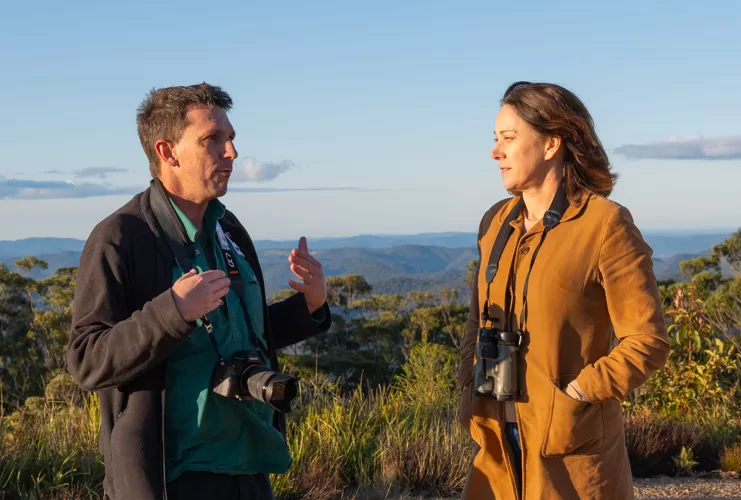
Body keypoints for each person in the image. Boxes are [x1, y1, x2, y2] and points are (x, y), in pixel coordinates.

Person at [67, 83, 332, 500]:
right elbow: (86, 359)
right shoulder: (120, 238)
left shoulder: (229, 230)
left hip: (249, 465)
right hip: (173, 478)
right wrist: (172, 311)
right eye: (212, 139)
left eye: (230, 139)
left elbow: (244, 334)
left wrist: (310, 307)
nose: (231, 153)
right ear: (167, 151)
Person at [456, 81, 670, 499]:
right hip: (495, 441)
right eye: (495, 138)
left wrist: (577, 393)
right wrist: (468, 383)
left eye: (508, 138)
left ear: (551, 144)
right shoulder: (495, 223)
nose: (494, 151)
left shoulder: (605, 224)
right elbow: (477, 314)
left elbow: (647, 340)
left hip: (569, 451)